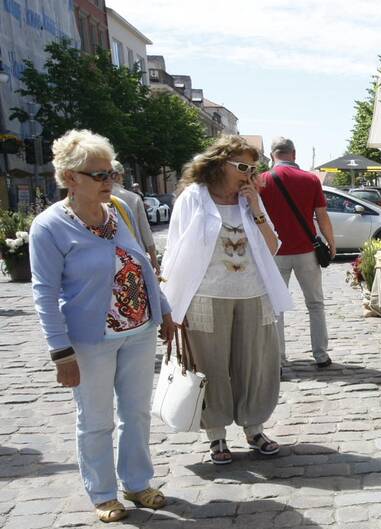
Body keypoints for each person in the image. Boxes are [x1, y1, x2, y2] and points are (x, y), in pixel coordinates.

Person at [30, 129, 176, 523]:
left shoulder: (120, 211)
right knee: (96, 420)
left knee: (137, 414)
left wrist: (163, 310)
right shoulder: (50, 227)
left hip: (138, 332)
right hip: (90, 339)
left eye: (110, 172)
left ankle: (137, 481)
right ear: (70, 178)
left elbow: (144, 265)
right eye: (98, 174)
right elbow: (44, 293)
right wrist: (61, 352)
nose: (108, 180)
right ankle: (103, 492)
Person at [162, 136, 294, 465]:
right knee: (212, 367)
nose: (249, 174)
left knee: (256, 364)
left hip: (253, 293)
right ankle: (217, 436)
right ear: (221, 164)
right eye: (243, 167)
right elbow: (174, 250)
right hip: (206, 295)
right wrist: (170, 305)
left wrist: (257, 209)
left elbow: (273, 246)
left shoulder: (250, 201)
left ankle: (254, 429)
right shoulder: (194, 197)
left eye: (254, 168)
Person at [259, 137, 335, 370]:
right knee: (315, 303)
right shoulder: (310, 179)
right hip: (306, 251)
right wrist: (331, 243)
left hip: (274, 251)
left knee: (275, 307)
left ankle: (279, 359)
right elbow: (322, 217)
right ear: (294, 154)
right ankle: (321, 355)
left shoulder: (261, 180)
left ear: (273, 155)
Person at [111, 161, 158, 271]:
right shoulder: (133, 198)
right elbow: (145, 231)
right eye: (122, 176)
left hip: (110, 260)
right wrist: (154, 260)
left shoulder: (95, 199)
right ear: (117, 176)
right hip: (135, 256)